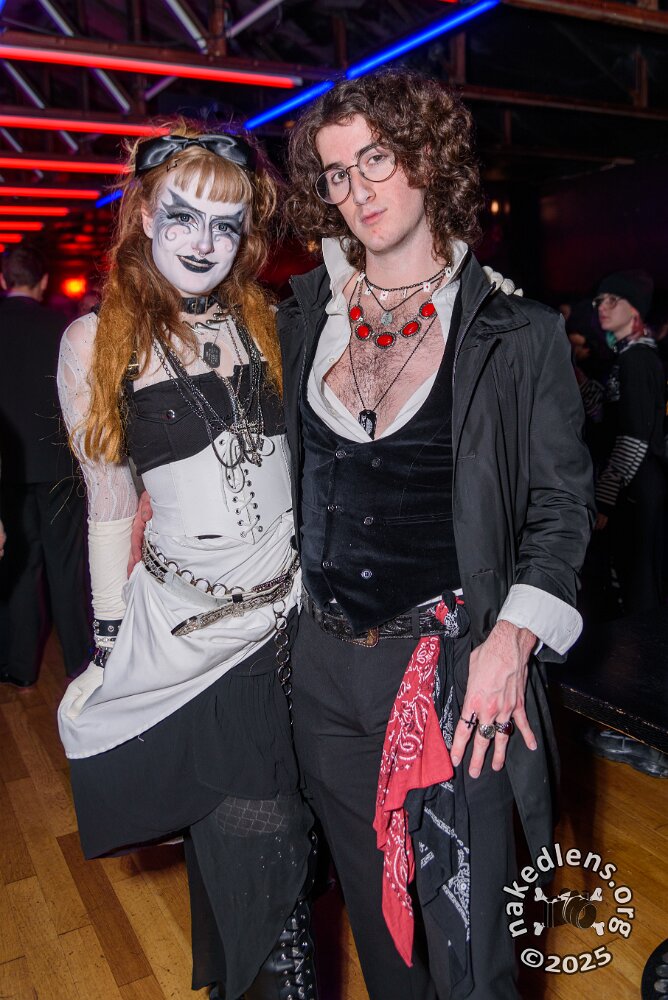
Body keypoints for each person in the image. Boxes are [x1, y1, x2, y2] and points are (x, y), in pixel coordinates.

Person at [276, 70, 594, 999]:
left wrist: (513, 639)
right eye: (337, 173)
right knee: (380, 925)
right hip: (324, 670)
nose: (357, 189)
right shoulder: (304, 316)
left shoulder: (517, 332)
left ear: (426, 157)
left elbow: (562, 508)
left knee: (470, 935)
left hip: (452, 669)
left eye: (375, 158)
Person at [56, 124, 316, 1000]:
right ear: (143, 215)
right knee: (266, 837)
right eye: (183, 216)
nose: (204, 242)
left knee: (273, 836)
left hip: (296, 618)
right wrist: (107, 642)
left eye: (226, 225)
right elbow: (110, 504)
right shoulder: (95, 340)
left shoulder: (268, 321)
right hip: (195, 632)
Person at [0, 245, 90, 688]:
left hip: (8, 466)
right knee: (67, 565)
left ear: (4, 280)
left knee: (20, 564)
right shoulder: (64, 327)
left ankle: (19, 667)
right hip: (58, 464)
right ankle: (79, 663)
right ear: (44, 281)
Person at [592, 270, 665, 611]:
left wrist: (605, 498)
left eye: (612, 300)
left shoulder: (638, 359)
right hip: (633, 486)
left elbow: (634, 436)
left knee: (640, 584)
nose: (602, 306)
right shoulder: (625, 357)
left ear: (634, 308)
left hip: (639, 486)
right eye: (599, 301)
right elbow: (607, 414)